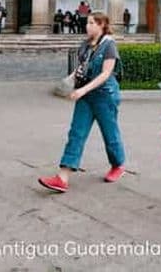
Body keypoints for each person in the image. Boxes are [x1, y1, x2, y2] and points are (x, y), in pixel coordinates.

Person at [38, 12, 125, 193]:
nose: (88, 26)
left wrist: (83, 89)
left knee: (110, 134)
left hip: (105, 96)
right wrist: (69, 82)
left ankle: (118, 165)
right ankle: (62, 177)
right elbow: (81, 68)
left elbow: (105, 73)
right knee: (76, 133)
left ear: (101, 25)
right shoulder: (84, 45)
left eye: (92, 23)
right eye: (87, 22)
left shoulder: (109, 46)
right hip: (85, 97)